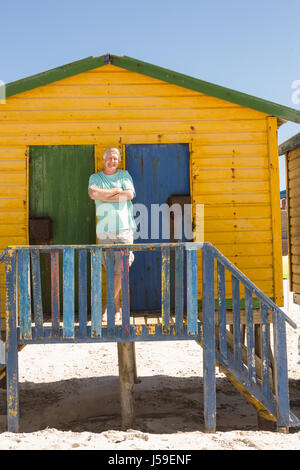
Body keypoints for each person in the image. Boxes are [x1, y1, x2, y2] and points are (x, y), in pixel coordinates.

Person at [88, 147, 137, 322]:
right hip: (104, 229)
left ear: (119, 160)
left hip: (124, 228)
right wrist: (116, 192)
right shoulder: (95, 178)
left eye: (115, 158)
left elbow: (129, 195)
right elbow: (93, 193)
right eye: (109, 158)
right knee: (111, 269)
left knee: (121, 269)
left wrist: (104, 195)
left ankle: (109, 306)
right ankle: (116, 309)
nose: (112, 161)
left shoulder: (124, 175)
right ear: (103, 160)